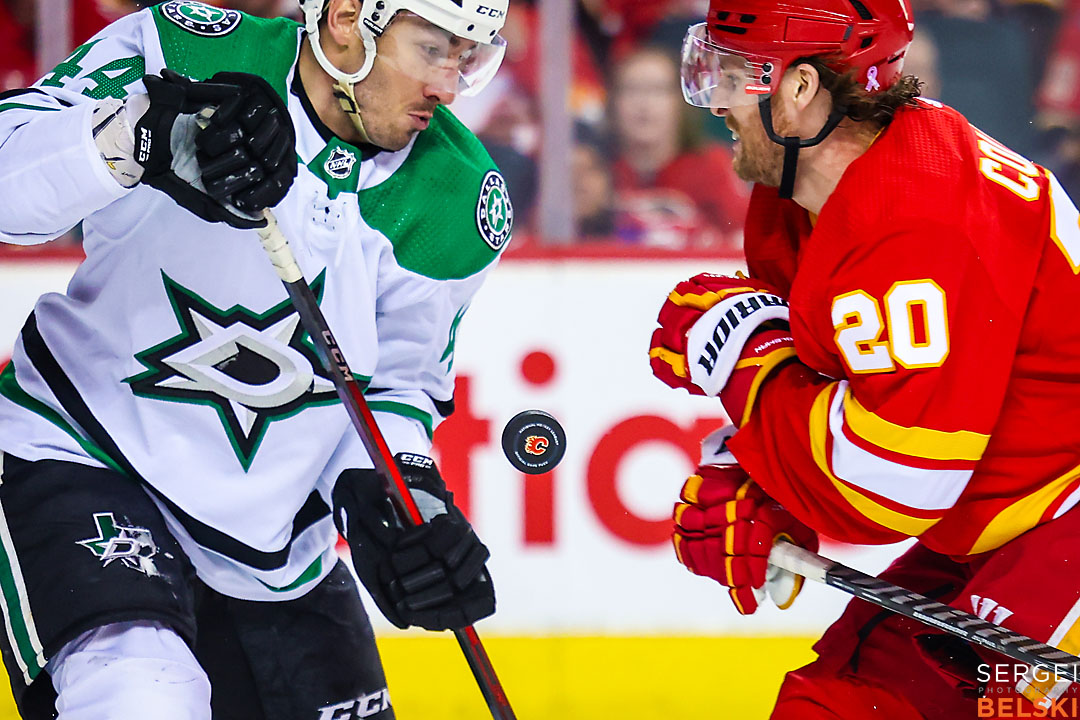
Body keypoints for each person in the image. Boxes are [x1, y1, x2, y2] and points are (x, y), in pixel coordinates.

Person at [0, 0, 512, 717]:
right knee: (142, 697)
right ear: (346, 19)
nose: (450, 88)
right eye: (434, 51)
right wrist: (139, 132)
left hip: (273, 538)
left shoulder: (460, 199)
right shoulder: (186, 51)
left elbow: (395, 385)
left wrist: (396, 498)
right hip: (84, 453)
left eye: (469, 58)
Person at [648, 0, 1080, 717]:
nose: (716, 99)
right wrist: (756, 471)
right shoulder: (808, 189)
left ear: (801, 89)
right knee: (837, 705)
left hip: (1060, 531)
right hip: (1008, 528)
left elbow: (898, 480)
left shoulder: (915, 215)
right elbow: (826, 376)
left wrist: (741, 357)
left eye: (734, 73)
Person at [609, 45, 748, 249]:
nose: (644, 104)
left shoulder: (711, 166)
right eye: (632, 89)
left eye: (658, 90)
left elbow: (740, 238)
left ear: (679, 101)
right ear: (613, 101)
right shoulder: (597, 169)